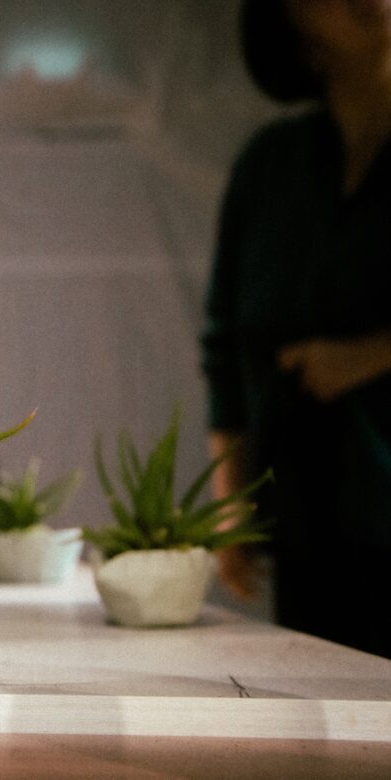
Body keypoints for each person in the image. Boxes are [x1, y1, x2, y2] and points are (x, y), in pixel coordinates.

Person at [202, 0, 391, 658]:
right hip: (310, 515)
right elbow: (226, 346)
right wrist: (231, 501)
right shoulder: (270, 167)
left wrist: (369, 355)